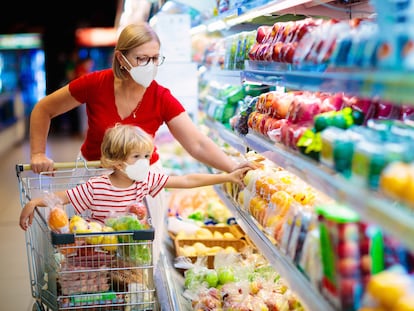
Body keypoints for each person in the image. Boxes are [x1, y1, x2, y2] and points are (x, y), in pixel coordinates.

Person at [28, 22, 256, 264]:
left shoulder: (160, 97)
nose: (150, 66)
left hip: (141, 184)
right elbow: (44, 109)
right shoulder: (95, 84)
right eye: (142, 58)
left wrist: (232, 167)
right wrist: (38, 153)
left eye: (156, 58)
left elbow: (197, 144)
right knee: (88, 255)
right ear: (121, 58)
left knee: (137, 260)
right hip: (93, 181)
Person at [19, 124, 250, 231]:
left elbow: (187, 180)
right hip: (100, 255)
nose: (145, 162)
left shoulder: (145, 180)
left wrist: (226, 177)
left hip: (133, 256)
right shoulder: (96, 187)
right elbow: (63, 197)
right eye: (137, 156)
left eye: (147, 156)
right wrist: (33, 202)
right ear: (117, 162)